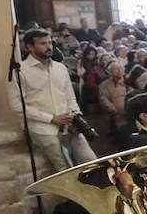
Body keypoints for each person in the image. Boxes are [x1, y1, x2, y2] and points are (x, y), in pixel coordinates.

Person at [9, 27, 97, 173]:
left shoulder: (60, 68)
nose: (49, 46)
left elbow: (70, 96)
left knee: (92, 161)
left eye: (50, 42)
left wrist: (76, 117)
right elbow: (18, 106)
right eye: (43, 43)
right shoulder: (20, 72)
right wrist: (51, 119)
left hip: (69, 124)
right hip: (43, 128)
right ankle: (71, 196)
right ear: (29, 47)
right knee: (66, 168)